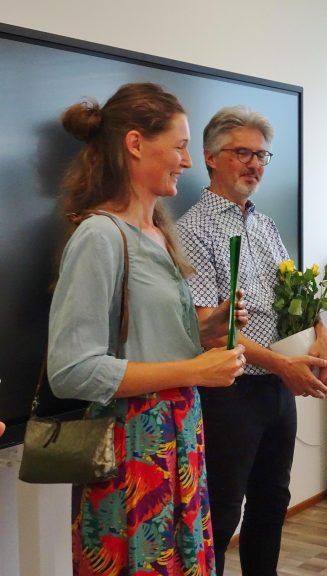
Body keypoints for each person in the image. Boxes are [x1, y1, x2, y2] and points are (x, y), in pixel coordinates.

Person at [47, 82, 247, 576]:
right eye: (179, 146)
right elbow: (72, 371)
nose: (188, 161)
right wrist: (195, 369)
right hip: (131, 448)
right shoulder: (100, 236)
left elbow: (153, 345)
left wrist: (210, 328)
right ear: (135, 144)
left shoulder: (157, 233)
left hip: (178, 437)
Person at [176, 106, 327, 576]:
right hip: (229, 393)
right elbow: (210, 329)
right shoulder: (193, 229)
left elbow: (295, 296)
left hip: (275, 391)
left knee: (272, 505)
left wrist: (321, 334)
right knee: (222, 513)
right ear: (209, 157)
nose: (254, 164)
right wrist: (283, 365)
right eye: (241, 152)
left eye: (261, 155)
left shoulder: (263, 225)